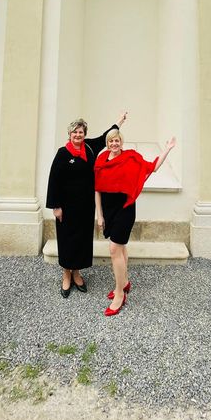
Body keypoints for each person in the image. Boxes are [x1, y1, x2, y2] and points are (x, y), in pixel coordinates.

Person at [95, 130, 176, 316]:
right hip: (108, 211)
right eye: (111, 141)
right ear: (107, 143)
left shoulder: (130, 158)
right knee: (121, 247)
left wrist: (167, 149)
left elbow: (153, 167)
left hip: (125, 209)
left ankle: (119, 294)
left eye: (117, 140)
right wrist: (99, 215)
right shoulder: (101, 160)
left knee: (114, 249)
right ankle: (124, 282)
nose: (114, 144)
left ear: (121, 142)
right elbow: (97, 189)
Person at [46, 113, 127, 298]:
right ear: (70, 134)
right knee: (67, 239)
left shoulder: (90, 147)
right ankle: (66, 275)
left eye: (81, 132)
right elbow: (54, 180)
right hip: (66, 207)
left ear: (84, 134)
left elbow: (106, 136)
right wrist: (55, 206)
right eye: (75, 132)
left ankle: (77, 272)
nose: (78, 135)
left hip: (85, 206)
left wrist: (119, 122)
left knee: (81, 240)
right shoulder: (62, 153)